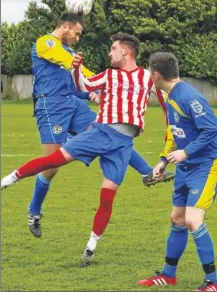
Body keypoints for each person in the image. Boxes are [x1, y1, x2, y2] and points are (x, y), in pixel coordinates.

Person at [1, 33, 169, 266]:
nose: (109, 53)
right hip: (99, 133)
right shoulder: (109, 75)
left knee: (107, 199)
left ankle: (91, 247)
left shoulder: (147, 77)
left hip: (122, 145)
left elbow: (165, 97)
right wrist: (77, 69)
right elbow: (83, 85)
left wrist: (170, 124)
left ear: (126, 51)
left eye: (113, 48)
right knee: (53, 161)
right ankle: (6, 180)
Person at [22, 12, 174, 239]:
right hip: (51, 106)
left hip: (72, 104)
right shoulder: (47, 43)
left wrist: (94, 92)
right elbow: (69, 65)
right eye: (77, 32)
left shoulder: (70, 52)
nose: (78, 37)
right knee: (51, 167)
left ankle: (147, 173)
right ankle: (34, 211)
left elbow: (78, 82)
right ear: (65, 26)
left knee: (113, 133)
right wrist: (93, 80)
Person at [137, 52, 217, 291]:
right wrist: (164, 160)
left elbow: (212, 128)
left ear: (156, 74)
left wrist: (185, 153)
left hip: (206, 164)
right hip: (186, 167)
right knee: (177, 218)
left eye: (149, 72)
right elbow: (174, 131)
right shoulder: (169, 96)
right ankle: (168, 275)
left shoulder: (187, 96)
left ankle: (213, 283)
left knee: (193, 220)